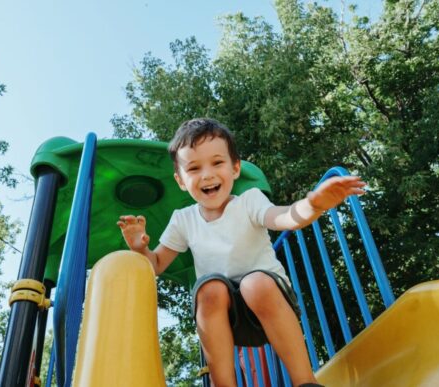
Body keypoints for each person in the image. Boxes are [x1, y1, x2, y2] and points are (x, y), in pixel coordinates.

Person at [117, 118, 366, 387]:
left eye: (217, 163)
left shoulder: (250, 201)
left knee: (254, 283)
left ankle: (305, 382)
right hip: (227, 319)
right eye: (194, 168)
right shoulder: (183, 219)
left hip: (270, 302)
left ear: (235, 168)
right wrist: (140, 247)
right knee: (208, 289)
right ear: (180, 180)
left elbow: (285, 218)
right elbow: (155, 265)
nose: (207, 175)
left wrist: (312, 204)